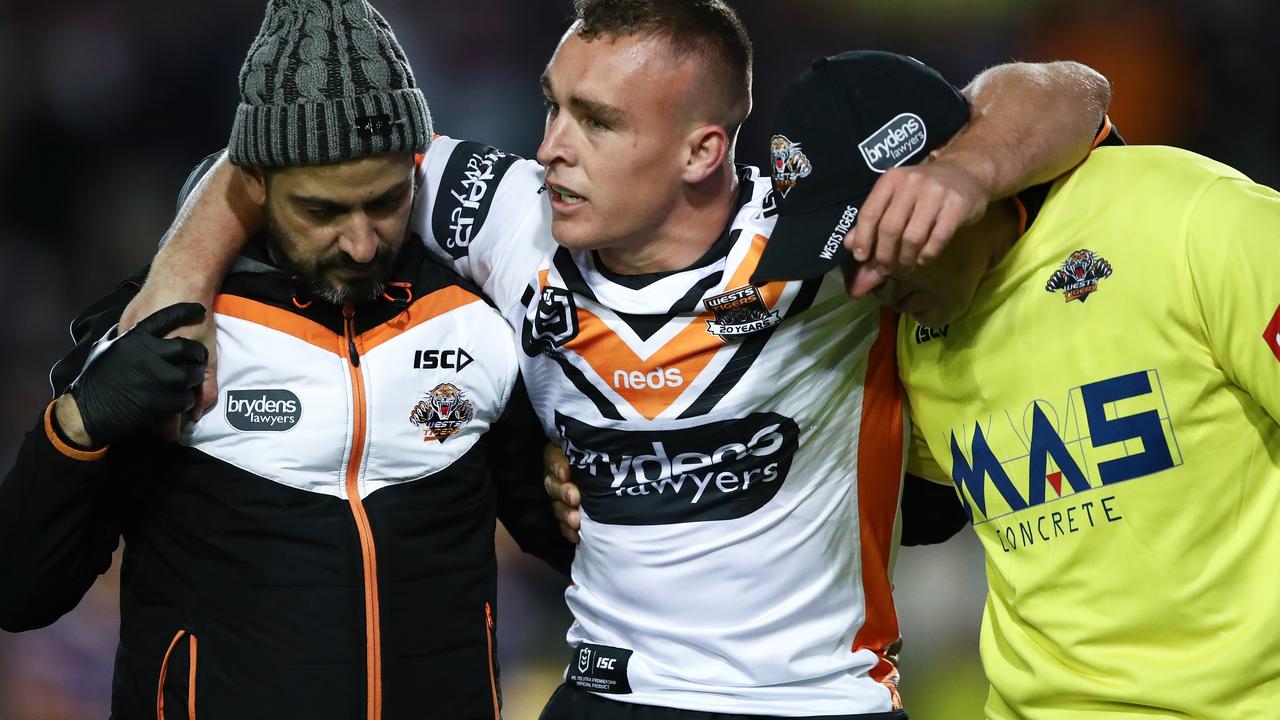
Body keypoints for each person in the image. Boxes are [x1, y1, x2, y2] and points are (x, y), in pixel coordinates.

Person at [122, 2, 1112, 717]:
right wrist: (175, 283)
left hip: (815, 701)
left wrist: (965, 168)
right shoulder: (504, 212)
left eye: (596, 121)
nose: (551, 145)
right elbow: (277, 156)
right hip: (605, 693)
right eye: (553, 105)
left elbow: (1066, 93)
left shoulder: (818, 233)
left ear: (700, 151)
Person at [0, 2, 570, 719]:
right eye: (324, 212)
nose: (362, 243)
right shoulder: (161, 332)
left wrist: (585, 472)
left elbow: (567, 545)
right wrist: (77, 429)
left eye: (386, 202)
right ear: (254, 186)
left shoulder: (474, 320)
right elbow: (19, 591)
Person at [750, 50, 1280, 718]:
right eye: (843, 261)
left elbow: (1071, 87)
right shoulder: (906, 341)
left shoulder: (1194, 223)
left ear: (936, 184)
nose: (863, 285)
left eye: (874, 243)